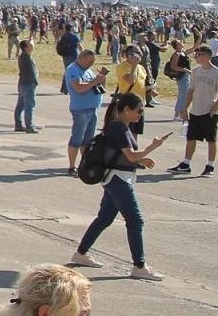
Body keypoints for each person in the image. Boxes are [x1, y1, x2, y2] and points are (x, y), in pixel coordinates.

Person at [69, 92, 170, 280]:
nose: (141, 114)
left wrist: (141, 161)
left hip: (115, 178)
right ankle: (139, 266)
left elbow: (124, 156)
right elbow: (130, 155)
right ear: (125, 110)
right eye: (138, 110)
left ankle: (80, 254)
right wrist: (153, 146)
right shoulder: (119, 129)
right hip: (118, 180)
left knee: (104, 218)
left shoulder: (120, 127)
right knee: (135, 220)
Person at [171, 45, 218, 176]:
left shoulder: (217, 73)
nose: (196, 57)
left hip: (209, 112)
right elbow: (190, 91)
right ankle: (185, 164)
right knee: (191, 138)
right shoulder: (195, 71)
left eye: (198, 55)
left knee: (211, 140)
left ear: (206, 56)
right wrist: (185, 108)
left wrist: (213, 110)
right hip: (195, 111)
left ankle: (210, 166)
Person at [64, 50, 109, 176]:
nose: (91, 64)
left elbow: (98, 88)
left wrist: (101, 79)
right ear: (82, 58)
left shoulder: (88, 70)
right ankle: (71, 167)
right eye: (89, 61)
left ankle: (85, 164)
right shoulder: (72, 70)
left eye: (93, 61)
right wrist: (94, 81)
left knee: (88, 141)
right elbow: (78, 88)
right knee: (77, 138)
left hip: (92, 108)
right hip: (81, 109)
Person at [14, 37, 40, 132]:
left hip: (23, 83)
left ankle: (18, 124)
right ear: (25, 48)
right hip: (28, 84)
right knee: (29, 106)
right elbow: (31, 47)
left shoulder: (22, 56)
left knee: (20, 105)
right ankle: (29, 126)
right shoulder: (25, 56)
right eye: (28, 45)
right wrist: (32, 38)